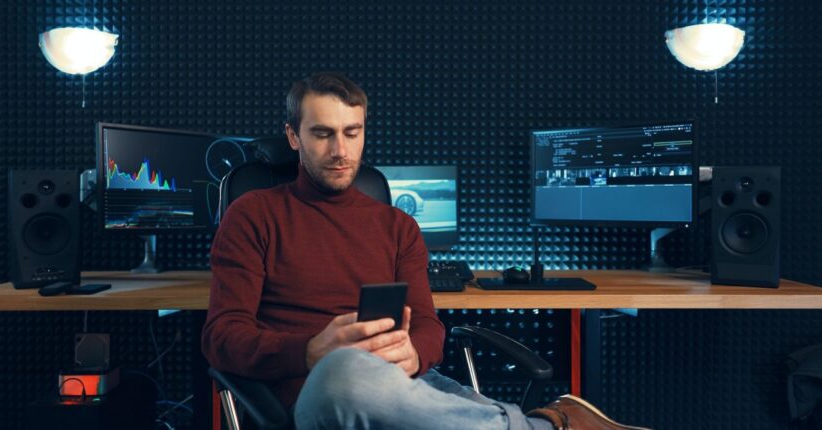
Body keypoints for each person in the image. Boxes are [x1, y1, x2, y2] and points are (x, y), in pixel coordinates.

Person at [202, 72, 650, 430]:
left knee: (423, 387)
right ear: (293, 136)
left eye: (351, 132)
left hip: (409, 387)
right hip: (318, 392)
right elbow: (221, 337)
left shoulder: (397, 225)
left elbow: (430, 324)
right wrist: (310, 351)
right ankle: (548, 425)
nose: (340, 150)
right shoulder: (253, 214)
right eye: (322, 134)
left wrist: (414, 354)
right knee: (346, 373)